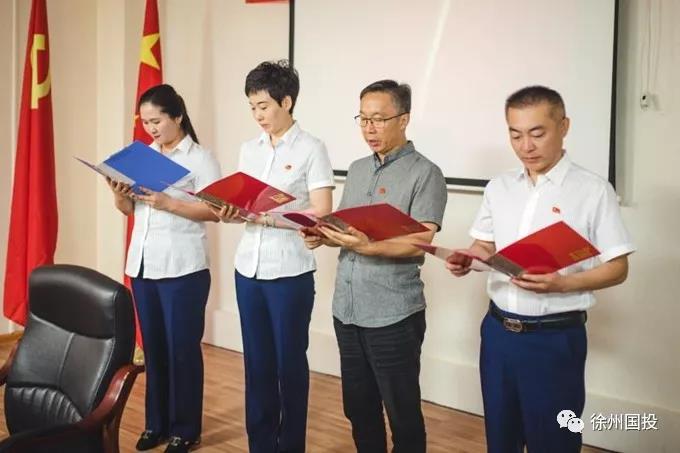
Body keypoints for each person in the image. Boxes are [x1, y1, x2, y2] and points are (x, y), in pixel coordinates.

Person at [446, 86, 635, 453]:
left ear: (564, 126)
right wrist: (469, 257)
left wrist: (562, 284)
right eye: (515, 135)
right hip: (498, 333)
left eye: (537, 133)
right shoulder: (500, 187)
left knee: (555, 441)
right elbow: (485, 246)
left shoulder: (593, 190)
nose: (526, 146)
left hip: (554, 338)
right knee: (501, 437)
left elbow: (618, 268)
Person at [303, 80, 447, 453]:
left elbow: (421, 240)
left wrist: (368, 246)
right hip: (347, 310)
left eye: (379, 119)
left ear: (404, 119)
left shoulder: (425, 173)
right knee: (359, 408)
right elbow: (346, 229)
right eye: (363, 119)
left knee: (402, 412)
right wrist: (322, 234)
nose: (369, 128)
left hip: (393, 314)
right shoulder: (357, 169)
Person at [214, 60, 334, 453]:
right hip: (248, 269)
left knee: (289, 364)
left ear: (287, 101)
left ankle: (290, 446)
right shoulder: (248, 149)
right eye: (252, 107)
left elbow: (322, 209)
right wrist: (230, 210)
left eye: (264, 106)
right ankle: (261, 445)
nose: (258, 115)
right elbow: (243, 203)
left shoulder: (312, 148)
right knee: (257, 364)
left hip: (290, 271)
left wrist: (271, 217)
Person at [107, 84, 221, 453]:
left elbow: (215, 211)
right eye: (145, 123)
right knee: (153, 349)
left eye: (156, 121)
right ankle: (156, 424)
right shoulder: (143, 157)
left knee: (181, 349)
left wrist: (168, 202)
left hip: (183, 268)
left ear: (178, 116)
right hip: (144, 264)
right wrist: (119, 193)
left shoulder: (201, 159)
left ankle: (185, 429)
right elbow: (130, 210)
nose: (151, 129)